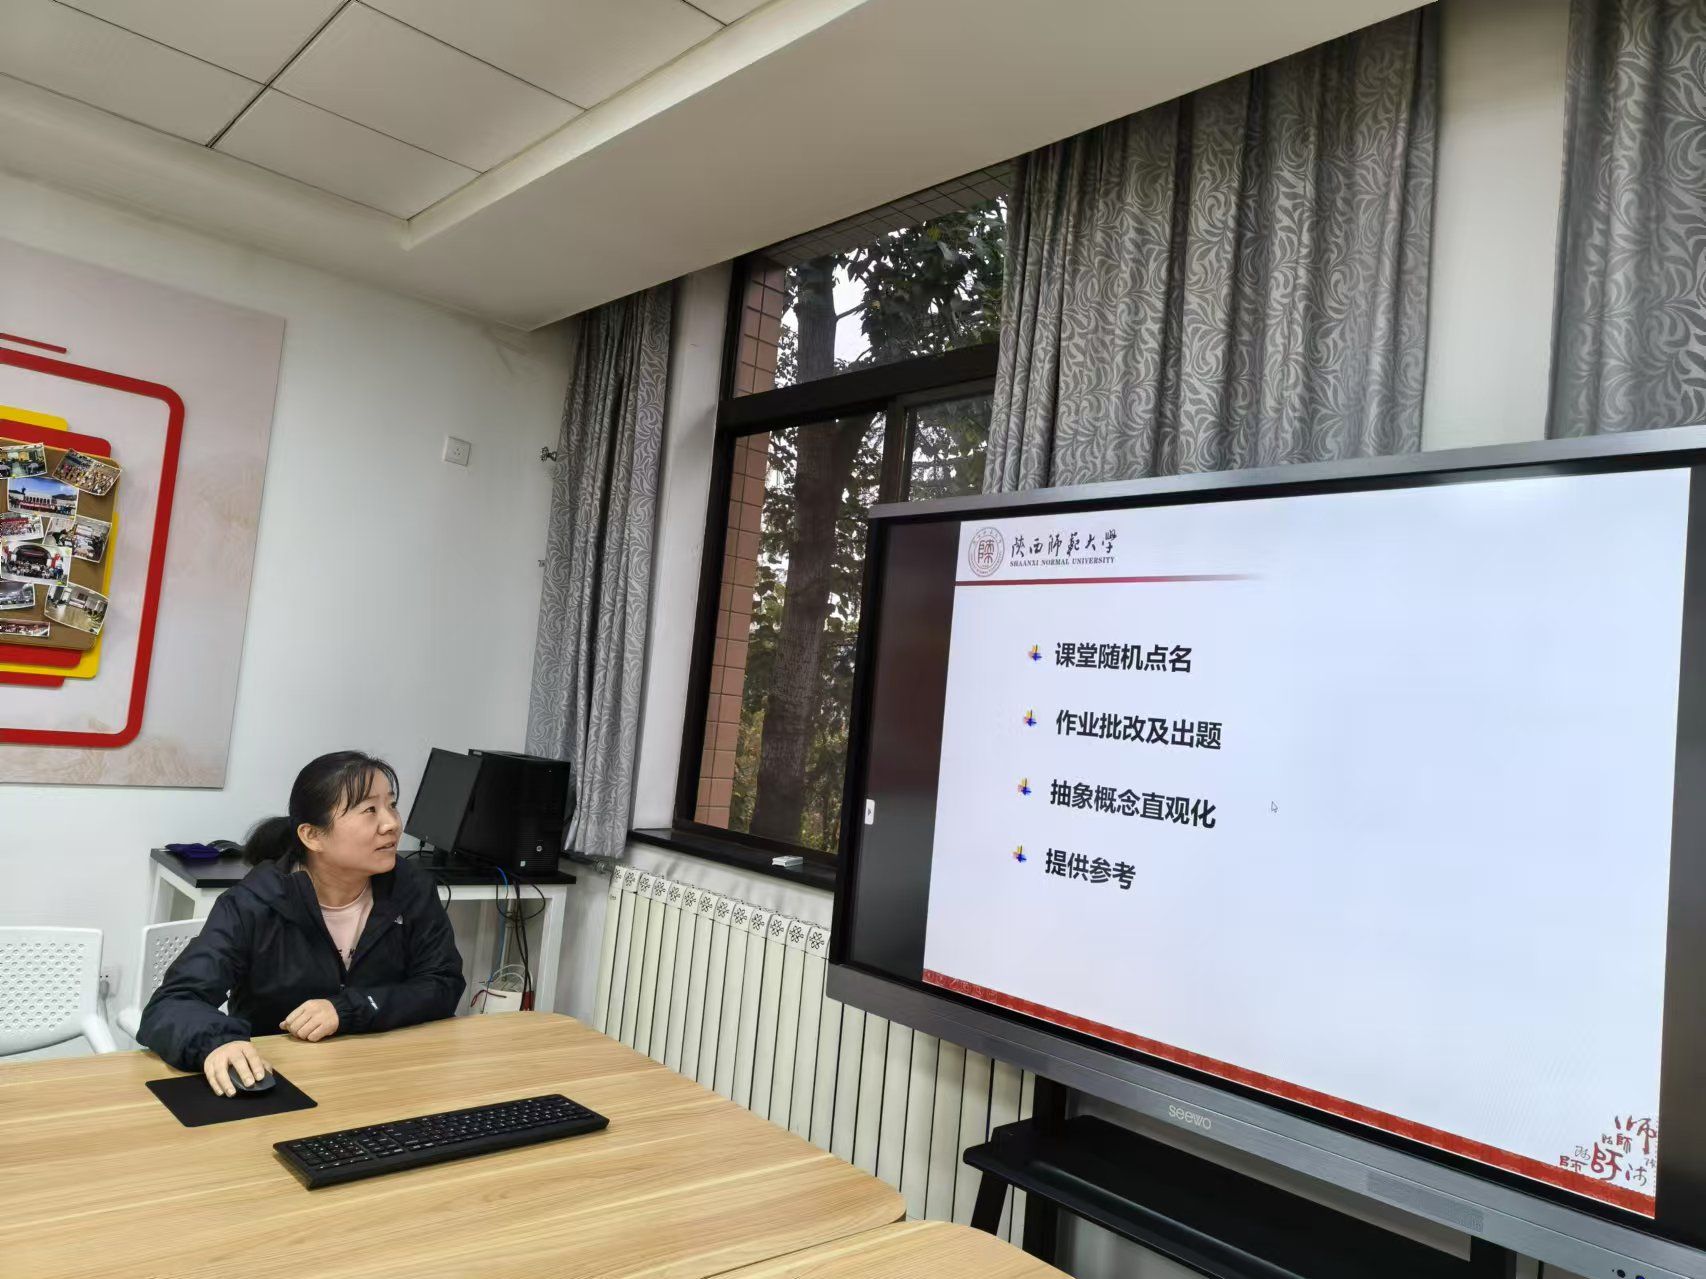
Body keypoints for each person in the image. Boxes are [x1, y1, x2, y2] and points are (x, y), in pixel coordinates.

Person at [139, 751, 466, 1095]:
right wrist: (218, 1042)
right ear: (312, 836)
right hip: (283, 1082)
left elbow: (442, 984)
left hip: (389, 1073)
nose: (392, 824)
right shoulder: (255, 903)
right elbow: (172, 1003)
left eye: (392, 805)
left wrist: (349, 1009)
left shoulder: (411, 888)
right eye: (370, 810)